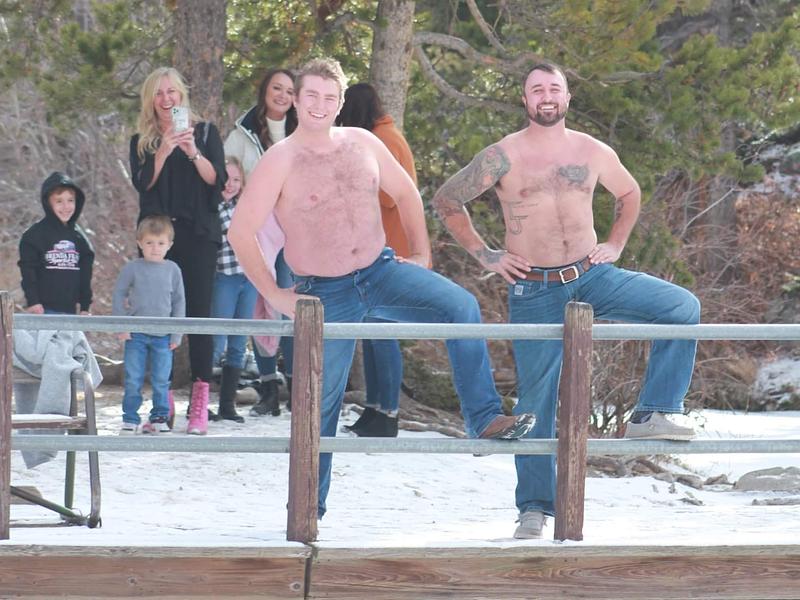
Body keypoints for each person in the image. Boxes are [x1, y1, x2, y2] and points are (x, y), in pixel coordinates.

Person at [229, 57, 535, 518]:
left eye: (329, 97)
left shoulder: (363, 142)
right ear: (296, 100)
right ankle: (307, 510)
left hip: (381, 271)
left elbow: (407, 193)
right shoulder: (281, 159)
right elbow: (240, 232)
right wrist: (274, 293)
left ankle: (485, 418)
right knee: (320, 403)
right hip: (323, 292)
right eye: (310, 95)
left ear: (340, 102)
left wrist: (422, 253)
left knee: (461, 307)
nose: (319, 105)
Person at [432, 62, 701, 539]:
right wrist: (486, 254)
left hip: (593, 274)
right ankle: (534, 508)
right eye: (537, 89)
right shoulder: (503, 155)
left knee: (681, 308)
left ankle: (654, 411)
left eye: (554, 88)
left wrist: (615, 243)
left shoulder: (592, 150)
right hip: (534, 286)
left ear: (568, 97)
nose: (546, 95)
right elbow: (447, 200)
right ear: (525, 100)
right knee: (536, 400)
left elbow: (629, 192)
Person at [129, 66, 226, 435]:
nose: (166, 99)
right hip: (159, 238)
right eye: (159, 93)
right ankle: (163, 398)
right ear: (150, 100)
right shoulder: (142, 140)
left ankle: (200, 399)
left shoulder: (206, 132)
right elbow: (143, 184)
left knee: (199, 315)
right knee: (159, 315)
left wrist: (191, 151)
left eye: (171, 91)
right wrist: (164, 149)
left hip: (199, 234)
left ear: (182, 94)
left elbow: (217, 181)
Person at [335, 82, 427, 437]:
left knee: (383, 334)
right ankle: (374, 409)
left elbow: (390, 197)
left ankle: (388, 414)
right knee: (372, 335)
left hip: (393, 252)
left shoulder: (385, 139)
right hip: (377, 251)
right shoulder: (381, 135)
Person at [224, 67, 296, 417]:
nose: (283, 95)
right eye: (277, 88)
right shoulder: (243, 133)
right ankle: (268, 387)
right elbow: (228, 171)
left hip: (296, 229)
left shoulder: (303, 130)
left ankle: (297, 386)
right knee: (263, 302)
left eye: (290, 91)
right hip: (260, 230)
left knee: (294, 303)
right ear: (265, 91)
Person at [113, 216, 185, 434]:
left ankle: (159, 418)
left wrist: (177, 334)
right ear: (140, 243)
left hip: (163, 336)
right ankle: (130, 418)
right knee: (133, 378)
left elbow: (179, 302)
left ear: (169, 244)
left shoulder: (173, 269)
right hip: (136, 334)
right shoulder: (133, 268)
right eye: (149, 243)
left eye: (161, 243)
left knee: (161, 379)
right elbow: (119, 294)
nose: (155, 248)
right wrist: (122, 325)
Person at [210, 156, 257, 423]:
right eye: (226, 178)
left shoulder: (246, 208)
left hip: (248, 279)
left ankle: (227, 405)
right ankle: (200, 403)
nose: (231, 184)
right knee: (216, 341)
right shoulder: (212, 208)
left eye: (237, 180)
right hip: (224, 278)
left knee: (239, 343)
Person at [19, 171, 94, 316]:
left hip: (71, 311)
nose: (66, 206)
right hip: (43, 310)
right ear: (48, 203)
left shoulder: (79, 238)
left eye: (70, 200)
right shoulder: (34, 236)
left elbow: (86, 273)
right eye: (59, 201)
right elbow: (28, 271)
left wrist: (85, 306)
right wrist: (33, 301)